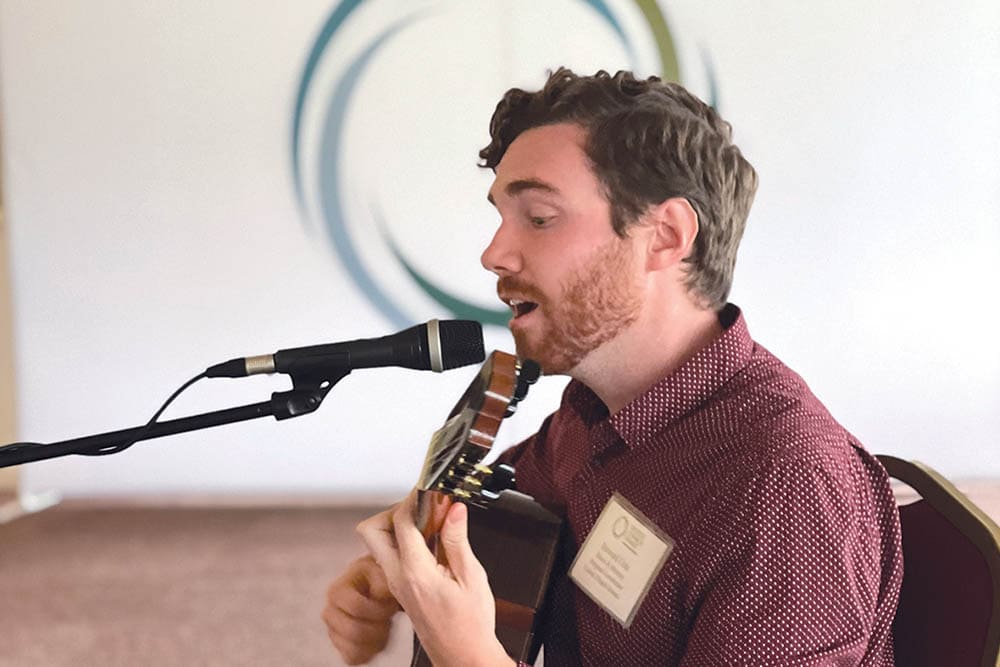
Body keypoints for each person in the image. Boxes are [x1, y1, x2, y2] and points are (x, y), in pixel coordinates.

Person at [322, 67, 903, 666]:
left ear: (665, 236)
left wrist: (465, 653)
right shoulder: (594, 413)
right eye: (501, 218)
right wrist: (404, 569)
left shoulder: (787, 487)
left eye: (540, 218)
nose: (493, 254)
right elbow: (497, 514)